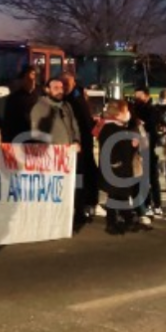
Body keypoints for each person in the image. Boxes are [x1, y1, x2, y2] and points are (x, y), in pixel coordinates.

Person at [96, 100, 147, 235]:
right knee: (116, 196)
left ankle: (126, 220)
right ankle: (113, 223)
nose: (128, 114)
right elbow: (118, 151)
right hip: (116, 169)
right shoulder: (111, 129)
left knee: (121, 196)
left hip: (118, 169)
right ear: (118, 113)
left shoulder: (114, 128)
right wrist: (132, 145)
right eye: (125, 111)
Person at [60, 72, 98, 226]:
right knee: (81, 174)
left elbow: (82, 121)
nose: (65, 84)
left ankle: (85, 202)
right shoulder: (75, 97)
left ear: (73, 82)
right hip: (79, 142)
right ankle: (83, 202)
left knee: (82, 173)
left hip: (82, 143)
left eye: (67, 81)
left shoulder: (76, 98)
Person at [132, 87, 163, 216]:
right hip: (139, 146)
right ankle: (147, 203)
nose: (137, 98)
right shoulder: (135, 108)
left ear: (146, 96)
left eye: (139, 95)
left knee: (152, 177)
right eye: (136, 96)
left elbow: (153, 126)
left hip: (148, 146)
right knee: (142, 177)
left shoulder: (152, 110)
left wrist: (141, 123)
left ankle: (156, 203)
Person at [29, 77, 79, 146]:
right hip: (52, 152)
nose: (60, 91)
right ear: (47, 90)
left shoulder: (67, 106)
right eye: (56, 88)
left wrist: (76, 141)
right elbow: (37, 135)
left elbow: (74, 126)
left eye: (61, 88)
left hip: (69, 152)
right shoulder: (39, 108)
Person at [1, 66, 40, 143]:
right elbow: (8, 125)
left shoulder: (40, 97)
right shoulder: (14, 99)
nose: (32, 82)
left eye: (34, 79)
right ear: (23, 79)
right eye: (29, 79)